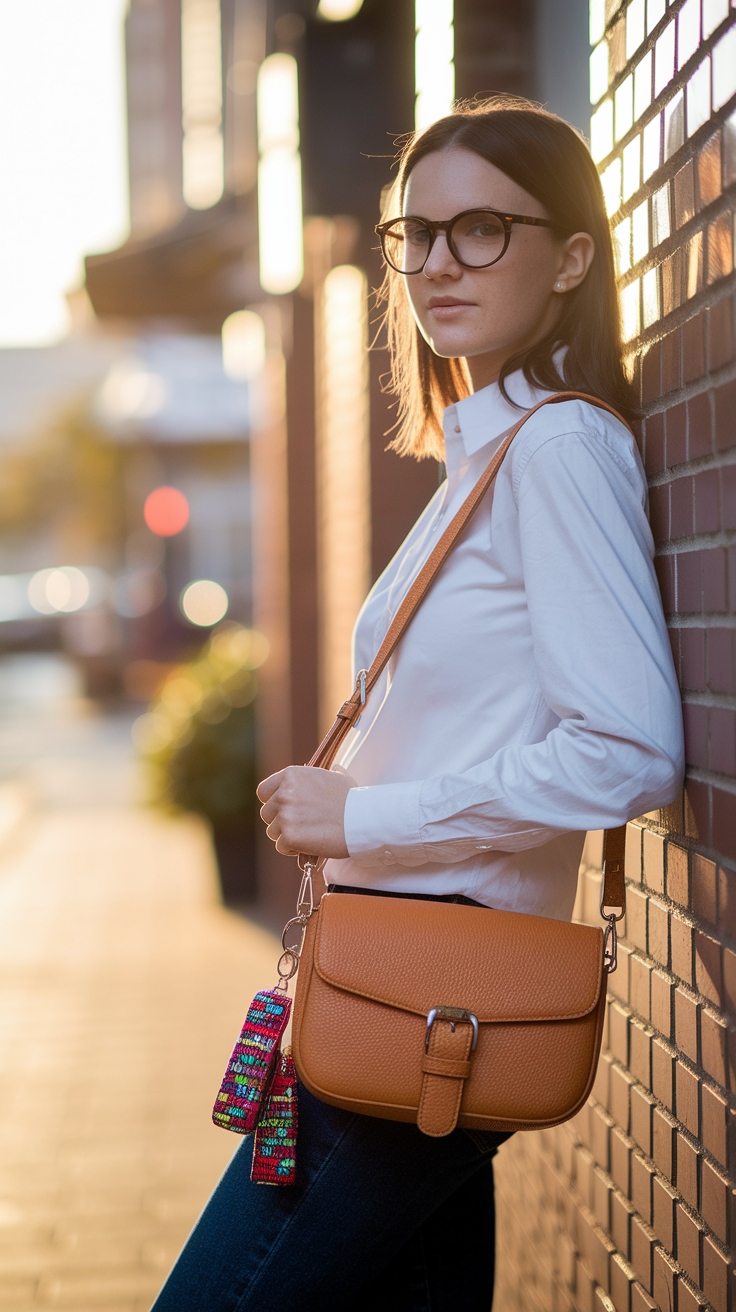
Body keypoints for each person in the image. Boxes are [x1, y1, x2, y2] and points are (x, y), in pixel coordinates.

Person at [151, 97, 684, 1312]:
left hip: (431, 993)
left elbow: (630, 749)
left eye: (483, 229)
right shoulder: (481, 453)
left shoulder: (555, 449)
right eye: (420, 235)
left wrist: (367, 816)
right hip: (397, 984)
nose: (439, 263)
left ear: (573, 258)